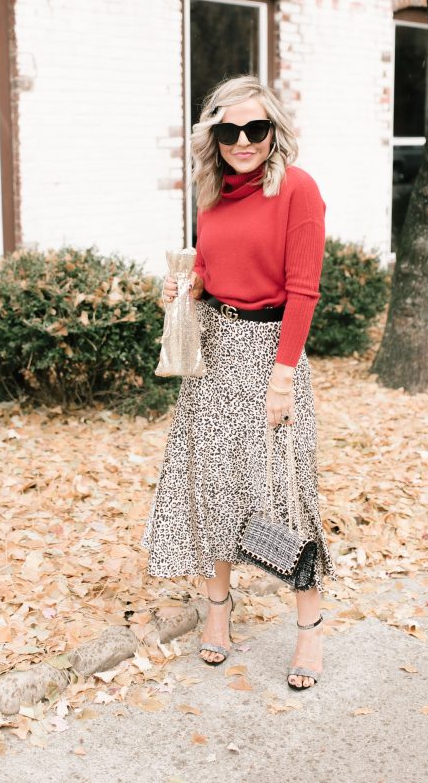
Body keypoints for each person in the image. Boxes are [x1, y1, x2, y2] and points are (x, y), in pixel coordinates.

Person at [141, 74, 336, 689]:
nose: (244, 140)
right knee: (214, 488)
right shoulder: (212, 192)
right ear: (215, 137)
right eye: (230, 130)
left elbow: (304, 290)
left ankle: (309, 631)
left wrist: (282, 379)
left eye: (256, 128)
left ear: (274, 131)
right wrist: (185, 288)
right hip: (216, 351)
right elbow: (208, 270)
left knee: (285, 493)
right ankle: (218, 612)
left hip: (272, 355)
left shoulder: (299, 191)